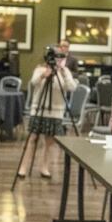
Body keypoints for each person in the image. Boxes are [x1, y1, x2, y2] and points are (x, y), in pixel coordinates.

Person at [18, 49, 76, 178]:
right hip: (39, 109)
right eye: (55, 57)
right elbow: (33, 82)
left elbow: (72, 87)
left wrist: (63, 73)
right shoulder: (40, 69)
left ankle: (44, 167)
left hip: (56, 111)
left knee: (50, 141)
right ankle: (23, 167)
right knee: (32, 138)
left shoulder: (65, 71)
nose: (58, 60)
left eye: (61, 57)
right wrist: (44, 75)